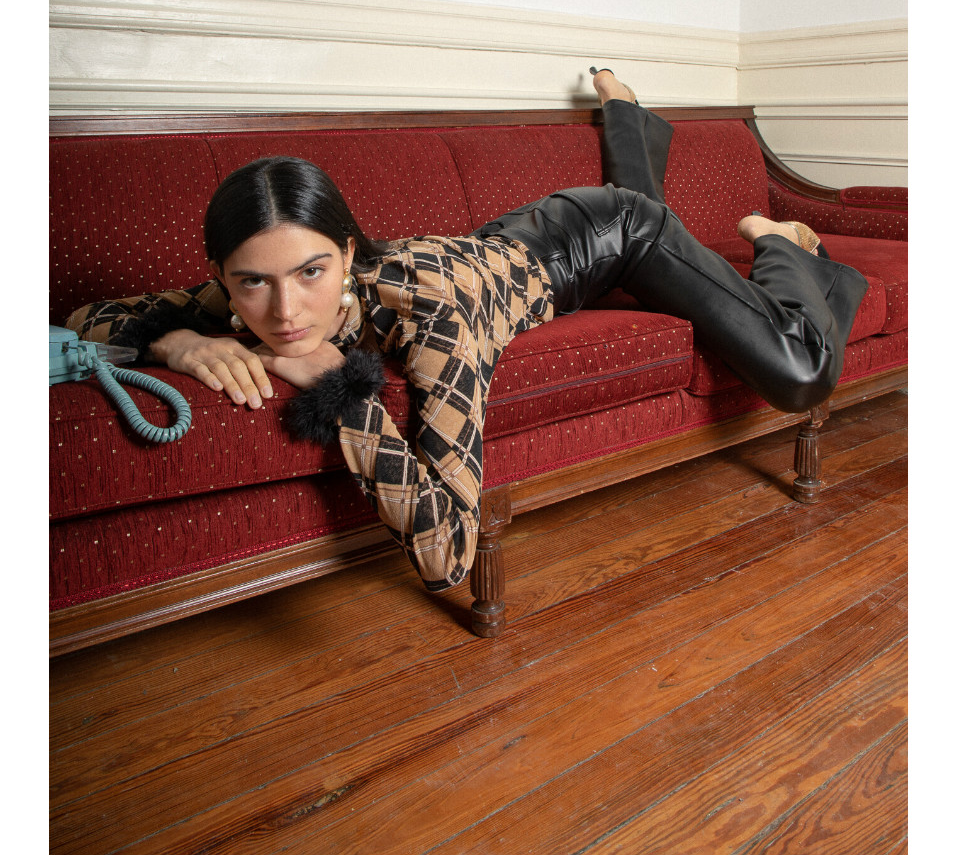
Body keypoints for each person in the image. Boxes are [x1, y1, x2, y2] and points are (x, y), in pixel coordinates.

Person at [66, 70, 867, 593]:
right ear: (222, 274)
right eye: (252, 284)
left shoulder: (432, 318)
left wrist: (342, 390)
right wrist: (182, 342)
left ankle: (776, 239)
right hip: (512, 241)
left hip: (611, 234)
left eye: (311, 271)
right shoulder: (246, 294)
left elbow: (450, 550)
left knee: (801, 370)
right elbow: (82, 317)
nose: (284, 314)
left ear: (347, 251)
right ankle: (627, 114)